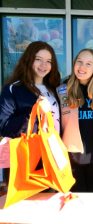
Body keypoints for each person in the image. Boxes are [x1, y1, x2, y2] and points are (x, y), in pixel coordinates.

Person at [0, 41, 61, 189]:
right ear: (29, 59)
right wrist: (33, 112)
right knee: (26, 205)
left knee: (49, 202)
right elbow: (3, 126)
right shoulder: (14, 89)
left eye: (48, 61)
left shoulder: (54, 89)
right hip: (26, 157)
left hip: (52, 156)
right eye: (38, 59)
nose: (43, 65)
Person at [56, 48, 93, 192]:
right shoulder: (62, 90)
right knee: (75, 202)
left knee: (92, 200)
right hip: (71, 159)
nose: (82, 67)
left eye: (88, 64)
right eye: (79, 62)